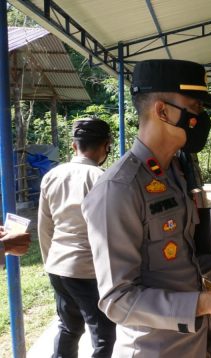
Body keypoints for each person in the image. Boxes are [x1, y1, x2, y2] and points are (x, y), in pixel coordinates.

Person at [81, 59, 211, 357]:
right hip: (155, 349)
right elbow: (118, 300)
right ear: (162, 110)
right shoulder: (119, 189)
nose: (201, 118)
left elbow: (192, 256)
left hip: (197, 342)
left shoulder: (175, 173)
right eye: (195, 107)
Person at [38, 118, 116, 358]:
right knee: (103, 335)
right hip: (87, 271)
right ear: (106, 146)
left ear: (74, 146)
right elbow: (110, 230)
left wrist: (50, 262)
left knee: (69, 327)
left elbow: (44, 227)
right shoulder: (102, 178)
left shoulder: (52, 176)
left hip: (58, 267)